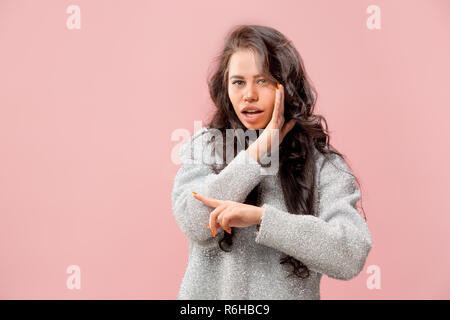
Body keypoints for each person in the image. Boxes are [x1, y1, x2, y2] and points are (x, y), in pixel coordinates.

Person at [171, 25, 372, 300]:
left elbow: (349, 256)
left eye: (262, 81)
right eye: (238, 82)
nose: (249, 94)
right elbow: (195, 223)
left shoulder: (321, 165)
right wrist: (259, 150)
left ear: (286, 87)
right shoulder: (206, 147)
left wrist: (262, 219)